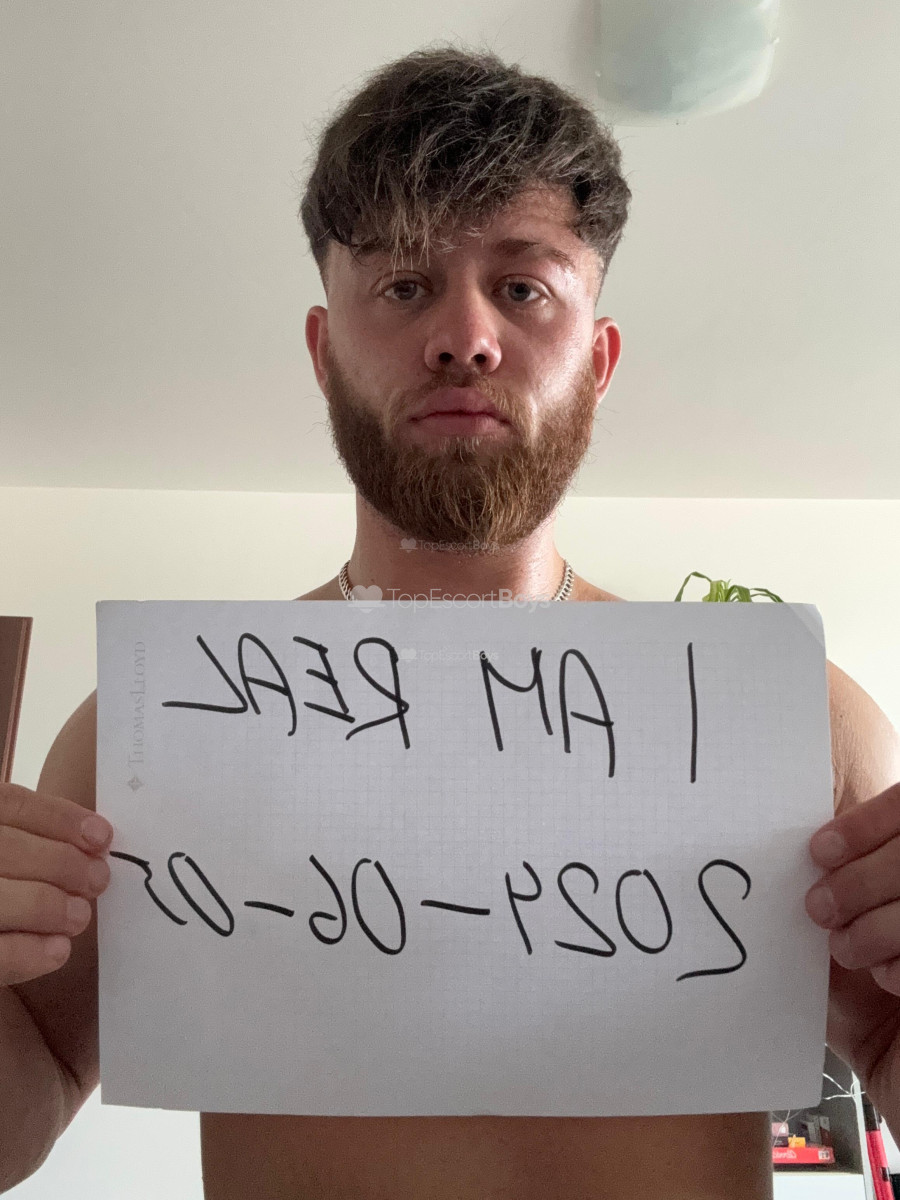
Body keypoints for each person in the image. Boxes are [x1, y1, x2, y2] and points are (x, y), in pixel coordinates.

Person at [2, 43, 899, 1200]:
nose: (464, 336)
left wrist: (888, 1041)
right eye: (403, 285)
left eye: (523, 288)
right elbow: (26, 1095)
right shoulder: (146, 737)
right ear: (324, 354)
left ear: (599, 361)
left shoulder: (800, 724)